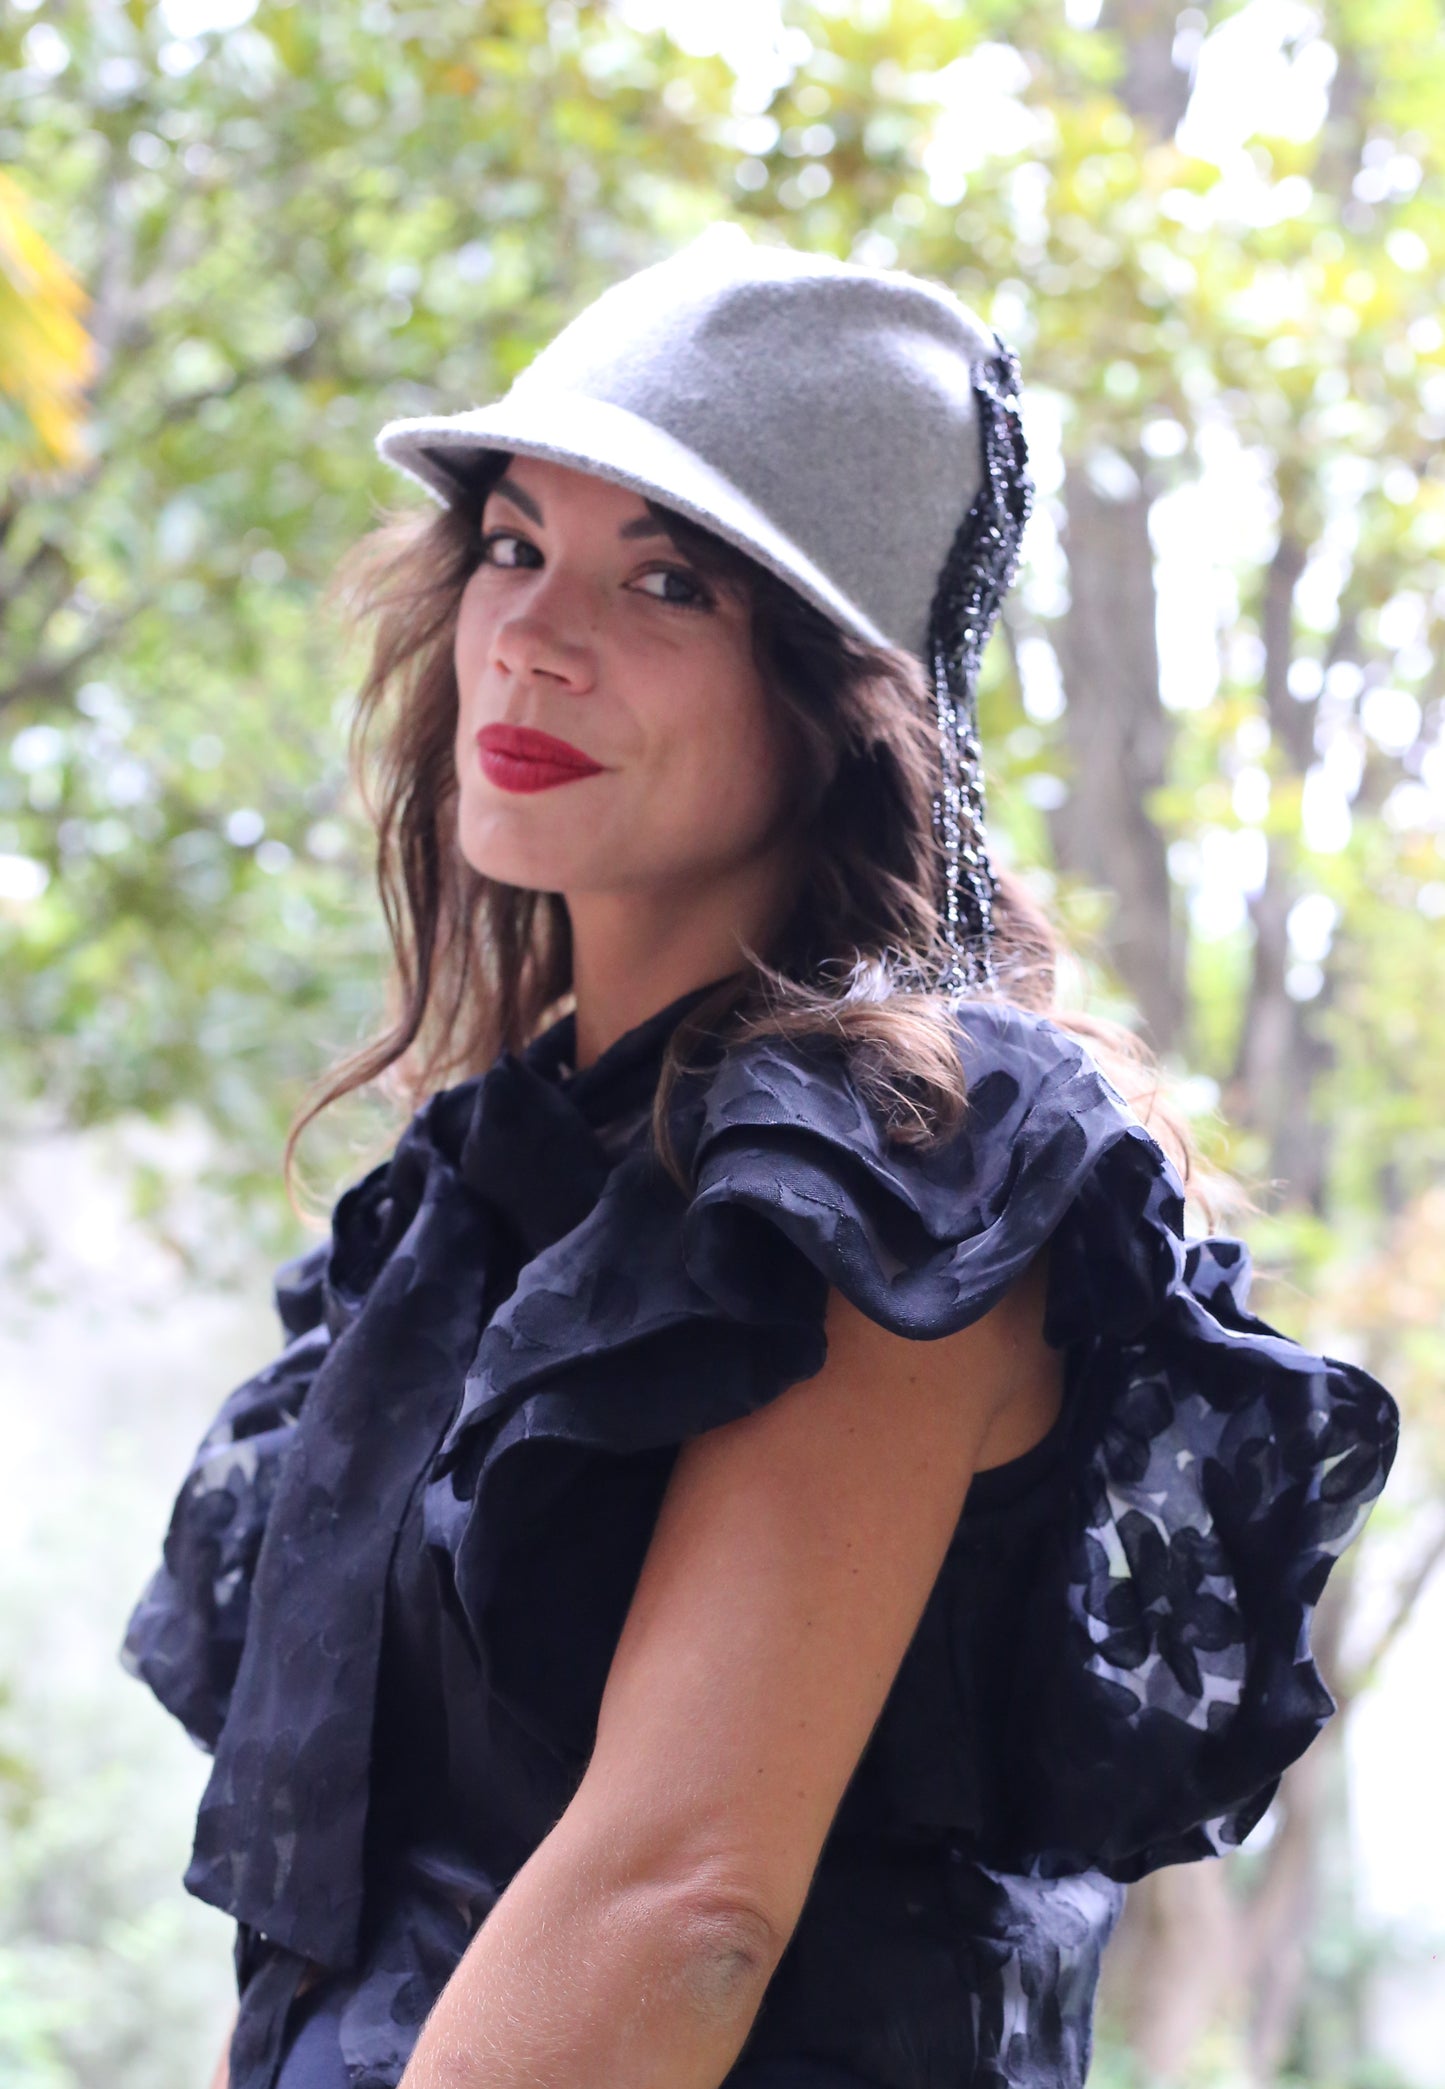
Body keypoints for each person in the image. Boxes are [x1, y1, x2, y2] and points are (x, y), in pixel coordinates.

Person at [122, 224, 1398, 2089]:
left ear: (835, 696)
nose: (537, 637)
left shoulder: (915, 1175)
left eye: (668, 586)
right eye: (512, 544)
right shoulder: (491, 1187)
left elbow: (677, 1904)